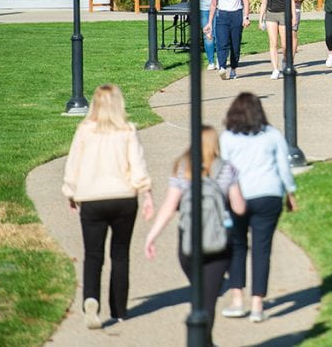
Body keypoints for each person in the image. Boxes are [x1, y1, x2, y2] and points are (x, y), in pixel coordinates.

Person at [62, 84, 154, 329]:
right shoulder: (126, 130)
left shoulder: (85, 131)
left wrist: (71, 192)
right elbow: (138, 165)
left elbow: (74, 165)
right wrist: (146, 193)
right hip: (123, 198)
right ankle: (119, 308)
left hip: (92, 199)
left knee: (93, 255)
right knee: (120, 253)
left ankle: (91, 300)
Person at [143, 126, 246, 343]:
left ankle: (201, 340)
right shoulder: (227, 168)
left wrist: (152, 236)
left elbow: (170, 206)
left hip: (189, 242)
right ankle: (203, 340)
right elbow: (239, 208)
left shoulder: (183, 167)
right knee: (209, 300)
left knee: (198, 293)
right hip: (218, 243)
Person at [219, 93, 298, 323]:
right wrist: (290, 192)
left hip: (239, 195)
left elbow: (224, 169)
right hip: (269, 194)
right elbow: (284, 167)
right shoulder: (272, 135)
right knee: (262, 249)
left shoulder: (228, 137)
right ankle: (257, 304)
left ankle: (237, 299)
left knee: (237, 246)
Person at [204, 0, 250, 80]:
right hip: (222, 16)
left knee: (235, 44)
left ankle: (233, 68)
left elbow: (245, 1)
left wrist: (245, 17)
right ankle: (222, 67)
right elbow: (214, 4)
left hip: (236, 15)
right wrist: (209, 22)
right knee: (222, 42)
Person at [258, 0, 301, 80]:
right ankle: (275, 69)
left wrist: (294, 16)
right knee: (273, 43)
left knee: (284, 44)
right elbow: (264, 3)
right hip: (271, 14)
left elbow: (291, 1)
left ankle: (285, 61)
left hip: (284, 14)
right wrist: (260, 18)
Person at [199, 0, 220, 71]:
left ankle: (220, 59)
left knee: (218, 34)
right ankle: (211, 61)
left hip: (218, 8)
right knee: (208, 35)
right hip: (204, 9)